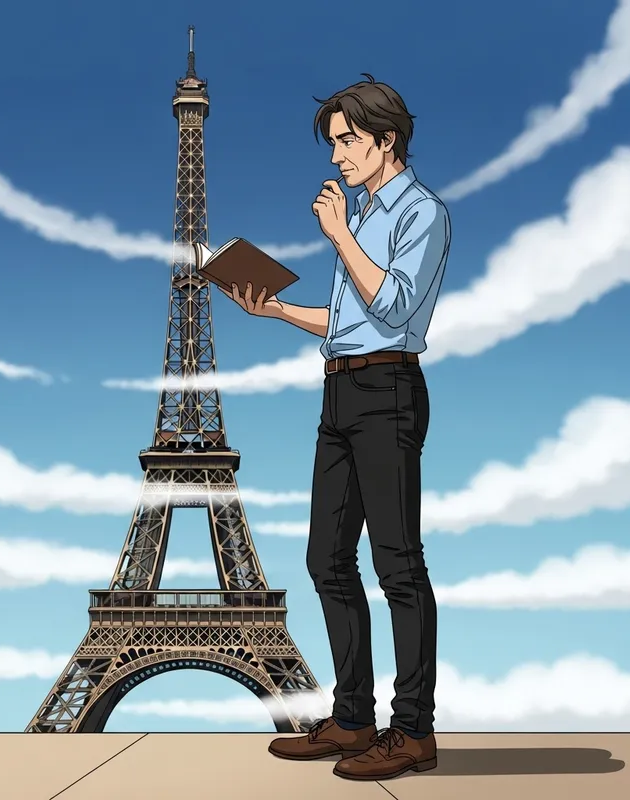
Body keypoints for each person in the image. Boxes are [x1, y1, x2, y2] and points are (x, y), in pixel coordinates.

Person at [218, 74, 451, 782]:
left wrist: (341, 233)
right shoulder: (364, 211)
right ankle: (354, 718)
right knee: (327, 559)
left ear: (387, 140)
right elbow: (350, 320)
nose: (337, 157)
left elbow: (396, 309)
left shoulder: (421, 213)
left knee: (397, 565)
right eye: (333, 143)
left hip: (388, 391)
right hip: (342, 393)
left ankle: (412, 730)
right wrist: (278, 312)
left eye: (347, 141)